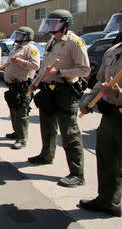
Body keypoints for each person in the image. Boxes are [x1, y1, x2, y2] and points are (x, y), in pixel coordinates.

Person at [27, 9, 90, 188]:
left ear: (65, 24)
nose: (51, 28)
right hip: (49, 90)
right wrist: (35, 83)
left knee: (70, 133)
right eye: (50, 24)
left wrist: (60, 72)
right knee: (47, 126)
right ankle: (46, 155)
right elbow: (43, 68)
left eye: (55, 24)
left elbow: (84, 70)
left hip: (65, 92)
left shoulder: (75, 42)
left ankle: (77, 174)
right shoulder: (50, 42)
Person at [78, 13, 122, 217]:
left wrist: (118, 93)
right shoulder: (113, 51)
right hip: (110, 115)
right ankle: (107, 200)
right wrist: (88, 102)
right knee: (106, 158)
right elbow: (100, 81)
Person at [3, 27, 40, 149]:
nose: (16, 36)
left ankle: (22, 139)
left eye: (19, 35)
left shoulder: (31, 48)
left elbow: (35, 65)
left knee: (22, 112)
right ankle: (16, 132)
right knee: (13, 110)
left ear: (26, 36)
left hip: (22, 86)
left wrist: (19, 61)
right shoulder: (17, 47)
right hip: (13, 85)